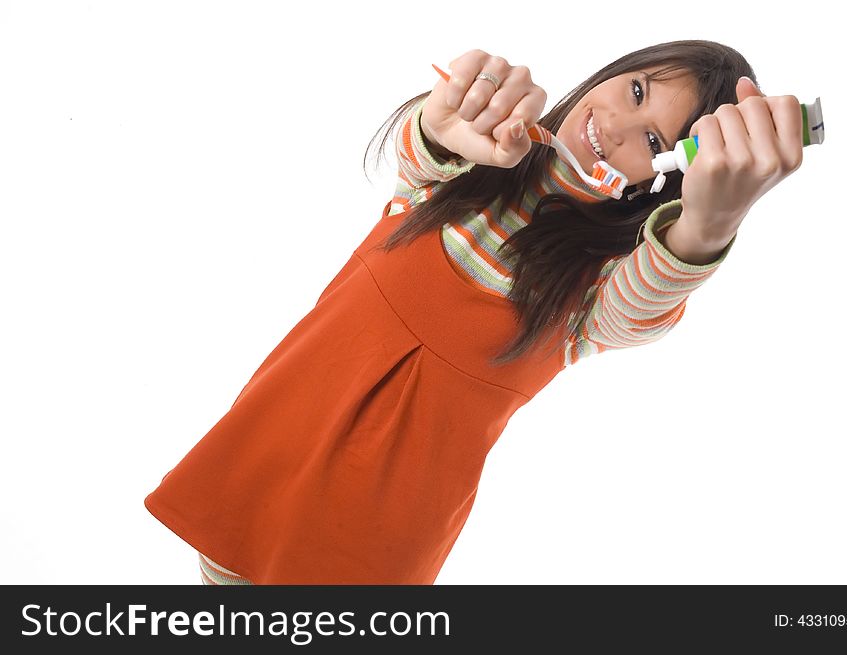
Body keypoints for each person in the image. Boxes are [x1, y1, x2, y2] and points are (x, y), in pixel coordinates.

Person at [145, 39, 805, 585]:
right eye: (635, 91)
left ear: (662, 174)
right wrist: (443, 121)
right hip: (279, 444)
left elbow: (649, 296)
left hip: (376, 529)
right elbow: (419, 142)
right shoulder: (463, 163)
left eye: (653, 135)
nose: (617, 126)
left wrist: (709, 222)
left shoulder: (592, 293)